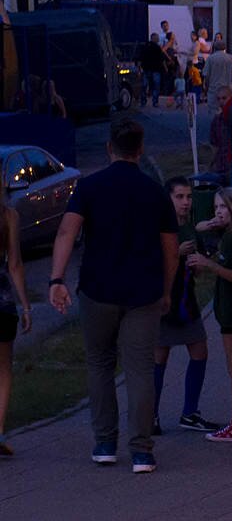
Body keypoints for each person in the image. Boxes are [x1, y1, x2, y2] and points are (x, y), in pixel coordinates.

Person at [48, 120, 178, 472]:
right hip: (143, 293)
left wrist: (57, 279)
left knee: (100, 364)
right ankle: (142, 451)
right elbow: (170, 249)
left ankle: (105, 443)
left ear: (109, 148)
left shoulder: (89, 187)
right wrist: (166, 290)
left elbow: (66, 232)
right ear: (141, 149)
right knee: (140, 370)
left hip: (97, 290)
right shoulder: (155, 192)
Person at [189, 187, 232, 443]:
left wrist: (209, 264)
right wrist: (212, 223)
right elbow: (198, 227)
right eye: (216, 207)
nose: (218, 212)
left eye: (223, 207)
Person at [153, 177, 220, 434]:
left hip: (186, 299)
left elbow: (197, 266)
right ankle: (151, 415)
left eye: (189, 197)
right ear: (168, 199)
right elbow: (150, 264)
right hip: (164, 300)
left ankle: (190, 413)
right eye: (179, 197)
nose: (185, 202)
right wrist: (176, 253)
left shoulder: (190, 227)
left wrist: (198, 264)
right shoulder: (161, 228)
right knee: (159, 356)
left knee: (200, 350)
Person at [0, 186, 30, 455]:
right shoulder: (9, 216)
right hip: (3, 303)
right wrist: (26, 306)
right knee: (3, 369)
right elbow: (15, 264)